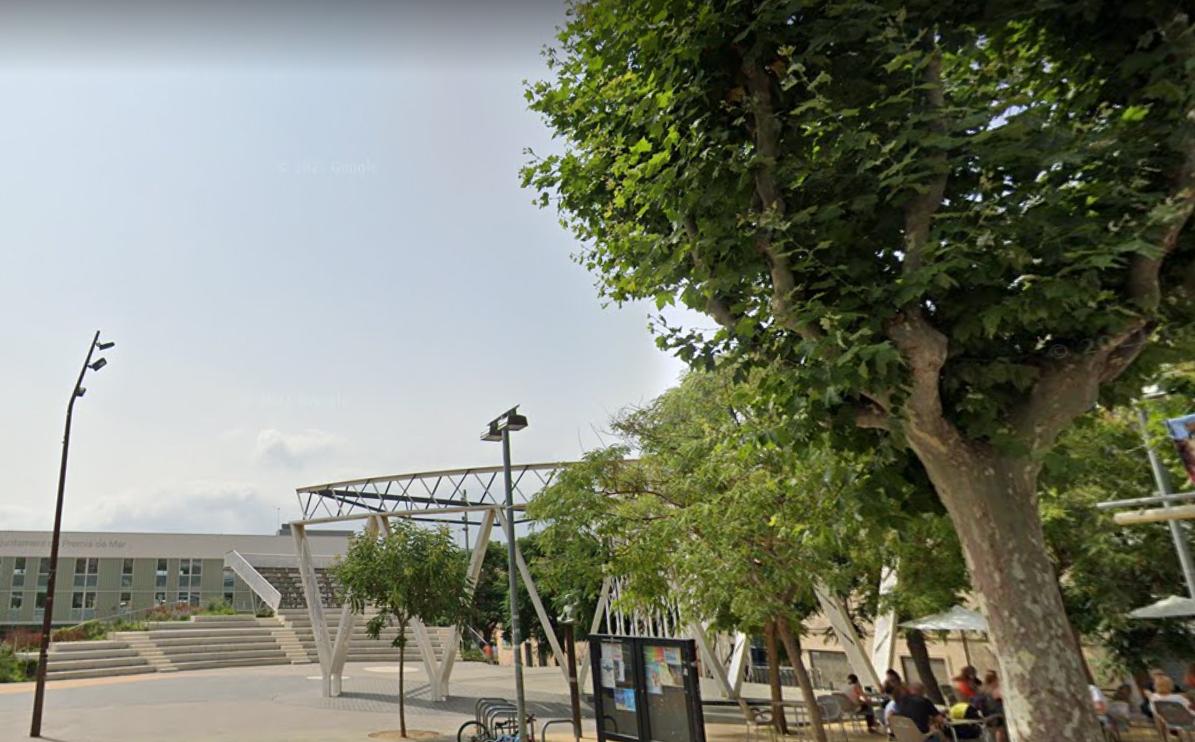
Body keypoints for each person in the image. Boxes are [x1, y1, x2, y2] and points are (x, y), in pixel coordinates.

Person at [971, 671, 1006, 742]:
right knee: (1001, 729)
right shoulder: (994, 690)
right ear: (995, 679)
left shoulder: (981, 688)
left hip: (986, 715)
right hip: (996, 715)